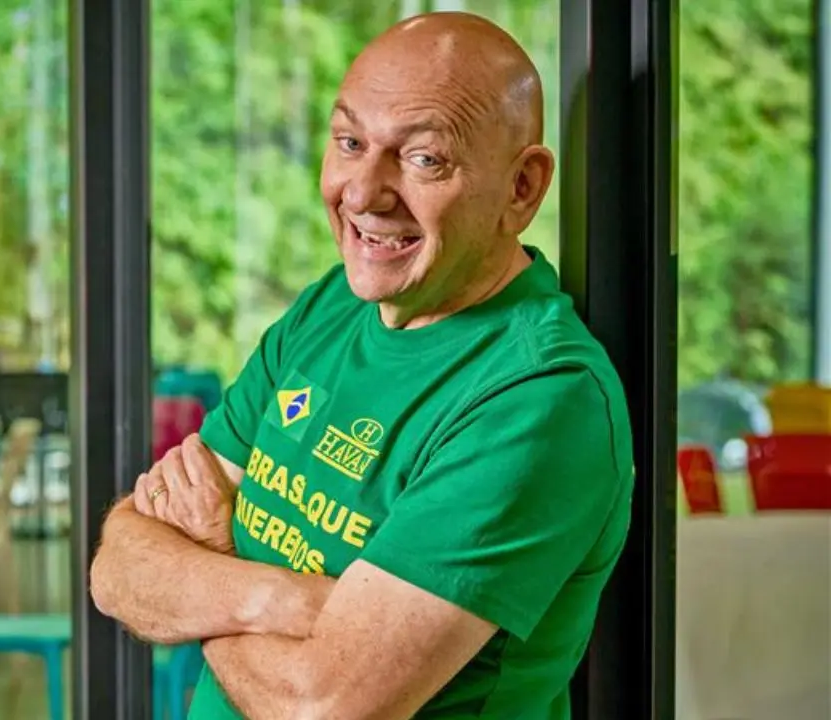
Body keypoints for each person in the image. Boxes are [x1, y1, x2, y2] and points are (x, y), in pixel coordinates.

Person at [90, 11, 633, 720]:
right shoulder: (331, 308)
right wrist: (277, 597)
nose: (363, 193)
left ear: (522, 188)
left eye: (424, 159)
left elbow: (322, 705)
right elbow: (117, 566)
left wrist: (212, 562)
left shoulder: (539, 399)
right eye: (350, 143)